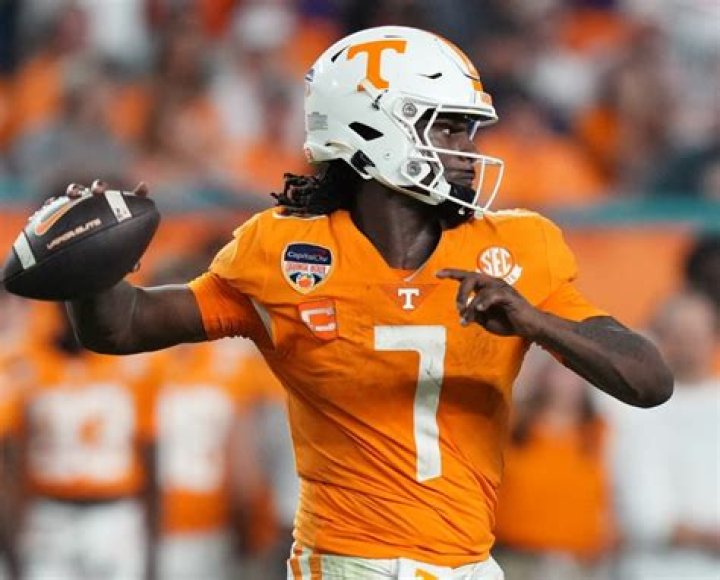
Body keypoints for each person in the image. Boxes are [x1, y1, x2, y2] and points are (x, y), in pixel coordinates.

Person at [58, 26, 672, 579]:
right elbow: (122, 326)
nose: (467, 149)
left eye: (467, 130)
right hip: (348, 563)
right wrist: (89, 267)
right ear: (374, 129)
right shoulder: (281, 251)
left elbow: (649, 380)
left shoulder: (517, 248)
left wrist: (536, 323)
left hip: (468, 564)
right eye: (446, 127)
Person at [608, 291, 719, 580]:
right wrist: (705, 537)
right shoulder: (632, 410)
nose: (689, 347)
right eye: (678, 336)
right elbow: (642, 514)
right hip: (654, 570)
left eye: (697, 336)